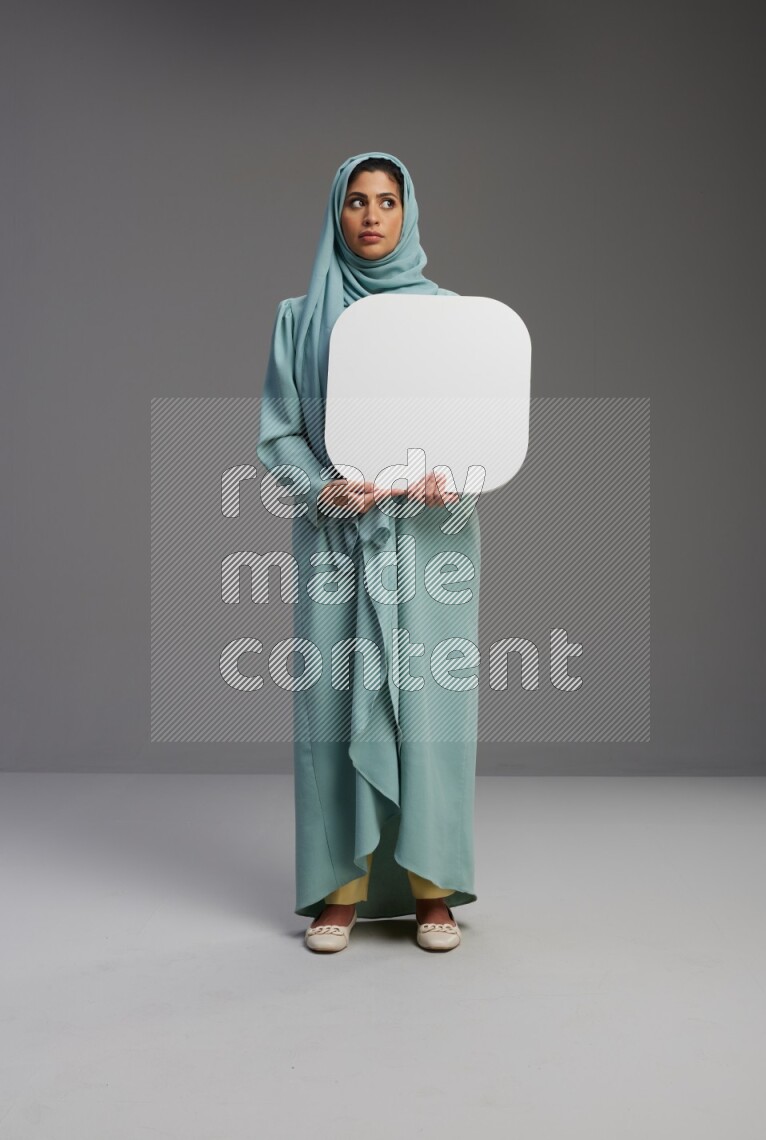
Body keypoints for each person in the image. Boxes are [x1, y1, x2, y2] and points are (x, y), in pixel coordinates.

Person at [256, 152, 481, 953]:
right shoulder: (299, 317)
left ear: (409, 212)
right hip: (335, 539)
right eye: (357, 201)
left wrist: (451, 475)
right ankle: (339, 892)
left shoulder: (451, 317)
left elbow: (479, 431)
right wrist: (323, 488)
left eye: (388, 200)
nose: (373, 215)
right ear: (337, 213)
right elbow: (279, 433)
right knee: (332, 706)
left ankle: (432, 889)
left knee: (428, 710)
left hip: (428, 543)